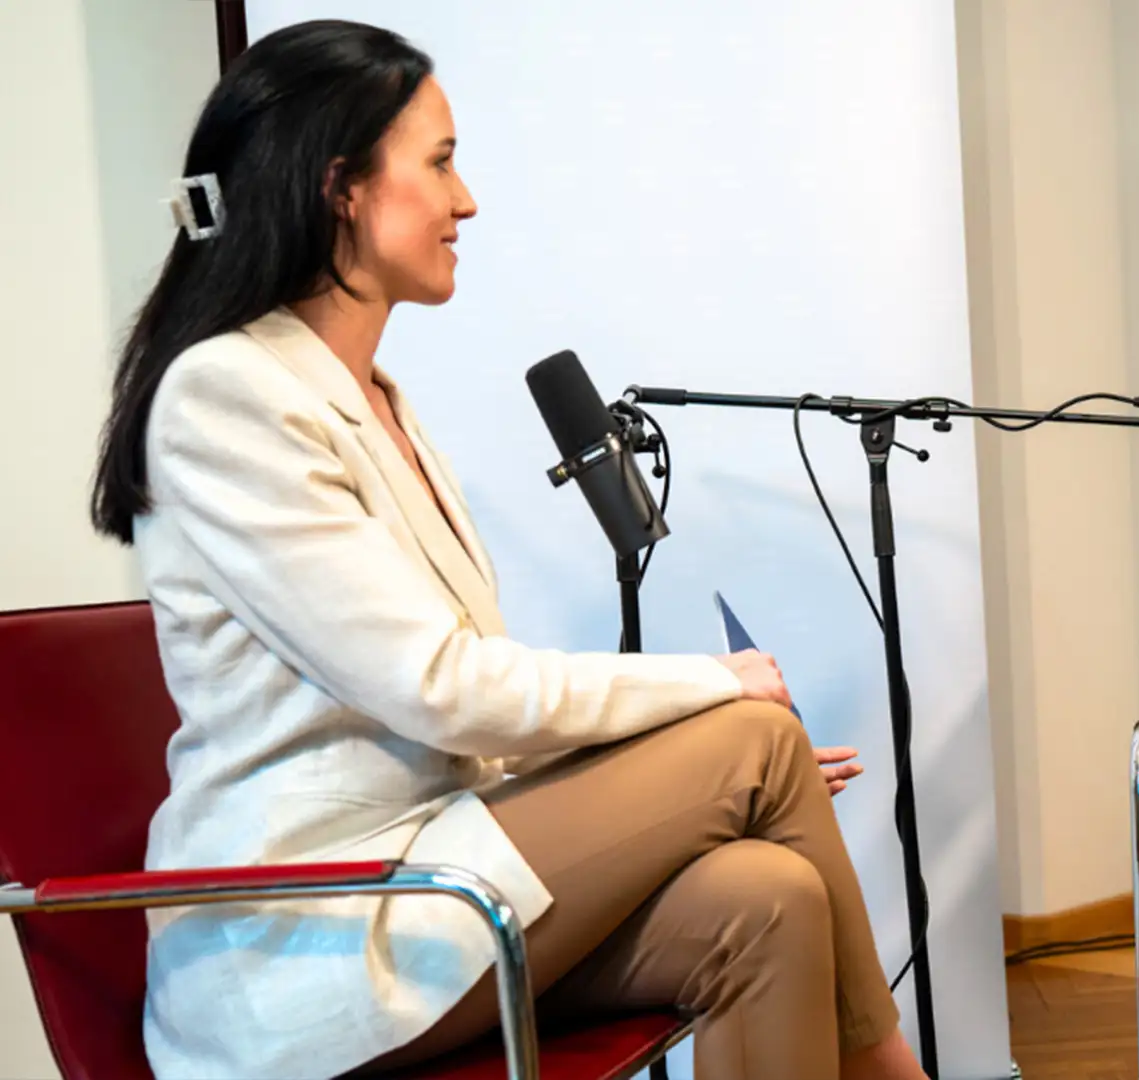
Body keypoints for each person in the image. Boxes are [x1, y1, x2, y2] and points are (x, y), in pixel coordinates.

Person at [91, 20, 923, 1080]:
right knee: (753, 738)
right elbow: (441, 690)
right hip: (312, 940)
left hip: (435, 879)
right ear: (341, 186)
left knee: (773, 899)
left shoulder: (376, 401)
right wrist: (714, 697)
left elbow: (449, 714)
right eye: (439, 164)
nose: (465, 200)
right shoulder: (226, 396)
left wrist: (692, 750)